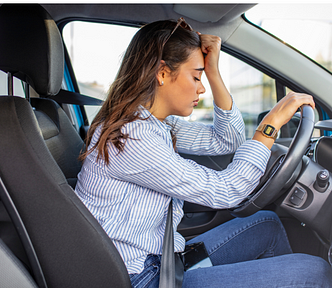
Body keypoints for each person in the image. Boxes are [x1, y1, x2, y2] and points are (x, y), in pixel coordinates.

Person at [75, 18, 332, 287]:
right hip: (145, 277)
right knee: (316, 271)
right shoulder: (132, 138)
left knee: (266, 224)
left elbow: (228, 140)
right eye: (196, 76)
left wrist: (213, 70)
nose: (201, 88)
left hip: (162, 259)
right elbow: (226, 190)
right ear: (162, 73)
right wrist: (269, 126)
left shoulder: (153, 123)